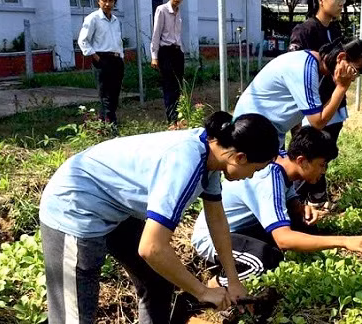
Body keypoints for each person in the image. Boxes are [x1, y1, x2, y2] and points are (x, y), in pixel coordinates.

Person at [39, 111, 279, 324]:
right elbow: (152, 248)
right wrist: (203, 292)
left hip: (116, 206)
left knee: (158, 283)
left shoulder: (214, 154)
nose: (251, 177)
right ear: (239, 158)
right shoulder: (185, 164)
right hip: (75, 205)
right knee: (76, 316)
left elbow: (216, 221)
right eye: (255, 170)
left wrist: (234, 281)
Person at [191, 126, 362, 286]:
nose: (323, 171)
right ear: (302, 161)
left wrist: (301, 209)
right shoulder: (269, 178)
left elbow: (289, 203)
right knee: (263, 261)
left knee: (302, 227)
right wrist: (343, 241)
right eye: (322, 165)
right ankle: (213, 286)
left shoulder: (284, 161)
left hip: (243, 229)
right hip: (213, 237)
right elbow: (284, 240)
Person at [233, 38, 362, 148]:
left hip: (267, 133)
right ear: (340, 58)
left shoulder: (311, 66)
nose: (353, 78)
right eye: (354, 71)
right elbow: (318, 121)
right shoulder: (305, 68)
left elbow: (296, 109)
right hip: (251, 132)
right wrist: (342, 87)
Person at [289, 0, 346, 209]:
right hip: (311, 106)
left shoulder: (335, 29)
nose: (341, 3)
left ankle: (317, 196)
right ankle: (295, 202)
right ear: (321, 0)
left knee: (324, 153)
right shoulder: (304, 30)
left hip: (333, 101)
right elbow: (294, 67)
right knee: (308, 153)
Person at [78, 0, 124, 125]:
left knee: (115, 94)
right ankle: (111, 124)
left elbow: (118, 41)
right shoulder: (93, 18)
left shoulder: (115, 20)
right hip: (103, 59)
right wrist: (95, 56)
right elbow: (83, 40)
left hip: (116, 60)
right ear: (99, 2)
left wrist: (121, 56)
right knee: (106, 95)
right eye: (104, 0)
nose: (108, 4)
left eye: (111, 1)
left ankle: (103, 122)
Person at [151, 0, 187, 126]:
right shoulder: (162, 10)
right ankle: (171, 120)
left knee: (178, 86)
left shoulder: (179, 12)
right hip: (165, 52)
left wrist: (182, 51)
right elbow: (156, 33)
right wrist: (154, 56)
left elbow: (178, 35)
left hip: (177, 52)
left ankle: (178, 118)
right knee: (169, 86)